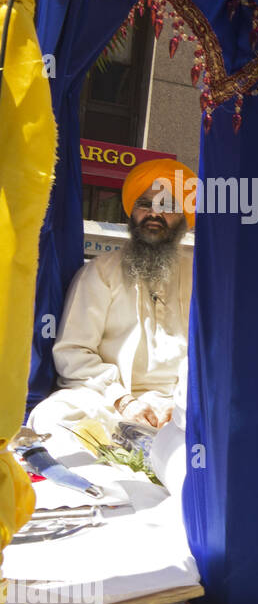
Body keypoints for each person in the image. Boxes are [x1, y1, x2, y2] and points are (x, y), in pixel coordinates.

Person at [28, 159, 196, 436]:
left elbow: (207, 354)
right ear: (132, 213)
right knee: (52, 416)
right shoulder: (101, 271)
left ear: (184, 219)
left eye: (167, 206)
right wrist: (123, 400)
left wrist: (181, 404)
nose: (154, 214)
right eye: (144, 204)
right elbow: (73, 350)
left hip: (180, 406)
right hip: (110, 401)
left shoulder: (200, 277)